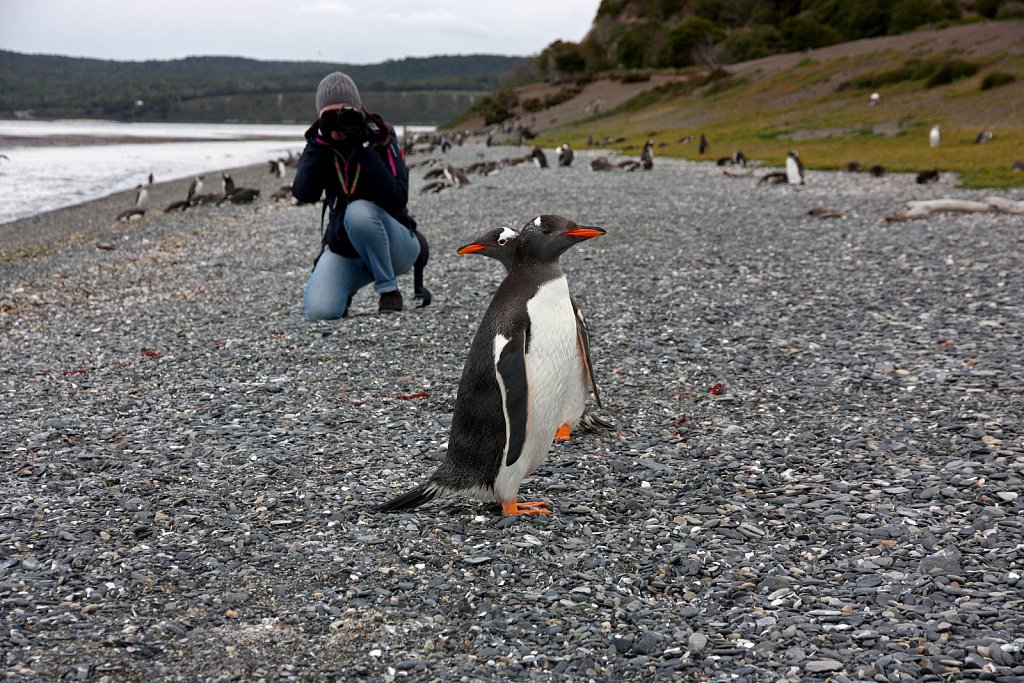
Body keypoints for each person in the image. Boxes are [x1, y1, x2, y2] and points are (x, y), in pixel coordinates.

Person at [293, 71, 426, 319]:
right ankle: (347, 285)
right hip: (346, 247)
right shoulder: (320, 145)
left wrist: (363, 147)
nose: (337, 122)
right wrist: (320, 142)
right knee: (319, 311)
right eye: (328, 116)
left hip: (396, 244)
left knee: (358, 212)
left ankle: (389, 291)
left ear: (357, 109)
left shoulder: (379, 137)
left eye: (343, 113)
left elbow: (398, 198)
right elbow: (304, 193)